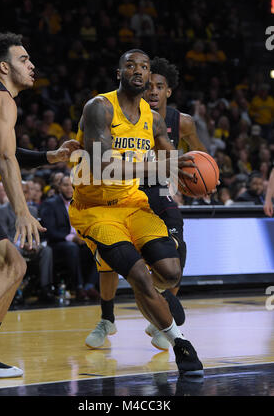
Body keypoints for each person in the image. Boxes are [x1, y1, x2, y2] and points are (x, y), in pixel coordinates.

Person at [69, 49, 203, 377]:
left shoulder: (153, 118)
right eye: (130, 65)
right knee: (140, 275)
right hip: (95, 209)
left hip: (133, 204)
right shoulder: (99, 107)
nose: (138, 71)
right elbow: (100, 165)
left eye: (144, 66)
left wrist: (192, 175)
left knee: (170, 272)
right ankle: (180, 343)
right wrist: (161, 165)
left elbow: (175, 161)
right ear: (119, 72)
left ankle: (150, 301)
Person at [0, 32, 79, 387]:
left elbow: (8, 148)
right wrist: (22, 211)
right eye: (23, 60)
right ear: (4, 67)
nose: (32, 65)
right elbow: (4, 158)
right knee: (10, 264)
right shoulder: (2, 98)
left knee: (13, 266)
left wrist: (49, 157)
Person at [0, 181, 54, 303]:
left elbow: (36, 234)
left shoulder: (32, 210)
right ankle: (15, 292)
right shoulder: (1, 210)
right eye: (21, 192)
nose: (23, 195)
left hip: (28, 246)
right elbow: (2, 235)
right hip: (10, 246)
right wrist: (22, 244)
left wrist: (35, 245)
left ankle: (45, 289)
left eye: (26, 192)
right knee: (15, 250)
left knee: (47, 250)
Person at [39, 175, 99, 300]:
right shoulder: (50, 204)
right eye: (66, 185)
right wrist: (71, 238)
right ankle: (79, 287)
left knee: (99, 247)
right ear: (59, 187)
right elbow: (49, 230)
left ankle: (90, 285)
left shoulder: (82, 203)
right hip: (57, 244)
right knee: (71, 248)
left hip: (80, 242)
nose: (69, 189)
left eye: (72, 186)